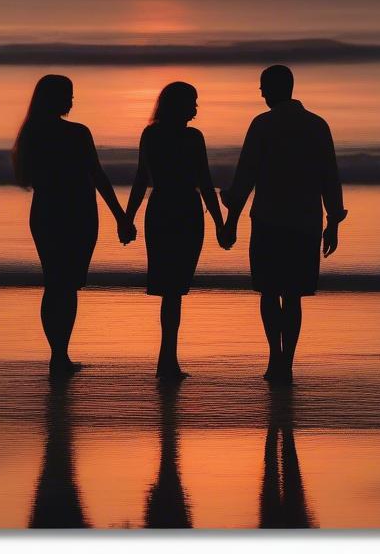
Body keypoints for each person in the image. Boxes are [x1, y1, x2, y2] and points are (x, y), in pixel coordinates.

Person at [219, 65, 347, 385]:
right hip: (305, 222)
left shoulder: (263, 124)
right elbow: (329, 176)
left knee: (268, 291)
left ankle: (274, 359)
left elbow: (246, 175)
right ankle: (286, 362)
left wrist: (230, 219)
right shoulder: (317, 125)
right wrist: (333, 221)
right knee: (293, 295)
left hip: (269, 220)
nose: (261, 93)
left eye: (263, 87)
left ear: (276, 88)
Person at [12, 74, 135, 380]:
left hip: (46, 212)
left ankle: (58, 353)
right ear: (55, 98)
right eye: (68, 95)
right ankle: (60, 354)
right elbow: (98, 176)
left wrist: (122, 216)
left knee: (55, 282)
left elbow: (33, 178)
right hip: (77, 212)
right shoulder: (77, 133)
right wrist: (121, 216)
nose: (71, 101)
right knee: (67, 285)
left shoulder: (31, 134)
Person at [123, 81, 226, 381]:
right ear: (179, 105)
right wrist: (220, 223)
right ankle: (167, 359)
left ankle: (167, 357)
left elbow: (142, 180)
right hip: (184, 212)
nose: (196, 108)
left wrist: (128, 219)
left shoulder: (152, 134)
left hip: (162, 211)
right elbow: (204, 182)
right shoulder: (193, 138)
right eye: (192, 102)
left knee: (171, 290)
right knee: (175, 290)